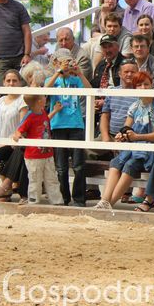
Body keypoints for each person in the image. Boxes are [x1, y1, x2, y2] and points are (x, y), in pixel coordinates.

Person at [95, 71, 154, 210]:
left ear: (151, 86)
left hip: (149, 150)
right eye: (139, 85)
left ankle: (110, 203)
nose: (143, 88)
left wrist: (137, 137)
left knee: (130, 165)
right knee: (116, 162)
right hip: (135, 147)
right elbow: (126, 127)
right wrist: (122, 135)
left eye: (146, 84)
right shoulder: (134, 106)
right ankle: (104, 201)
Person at [45, 48, 91, 207]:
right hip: (58, 125)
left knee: (79, 164)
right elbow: (44, 91)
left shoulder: (76, 79)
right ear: (56, 63)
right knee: (61, 166)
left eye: (68, 61)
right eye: (63, 62)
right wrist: (58, 72)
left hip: (76, 124)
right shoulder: (52, 79)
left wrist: (79, 73)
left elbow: (90, 91)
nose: (67, 65)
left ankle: (79, 199)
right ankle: (63, 199)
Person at [12, 94, 64, 205]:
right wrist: (17, 135)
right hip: (34, 155)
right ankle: (34, 201)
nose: (46, 98)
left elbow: (45, 121)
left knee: (52, 179)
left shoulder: (43, 112)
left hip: (47, 153)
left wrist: (54, 111)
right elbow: (20, 128)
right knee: (35, 179)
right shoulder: (29, 116)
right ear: (40, 101)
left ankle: (57, 202)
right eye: (44, 97)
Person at [0, 69, 28, 201]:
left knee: (1, 153)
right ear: (3, 83)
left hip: (15, 142)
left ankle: (5, 189)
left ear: (20, 83)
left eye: (14, 80)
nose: (11, 83)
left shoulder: (22, 100)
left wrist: (3, 143)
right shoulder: (0, 100)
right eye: (8, 81)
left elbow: (22, 128)